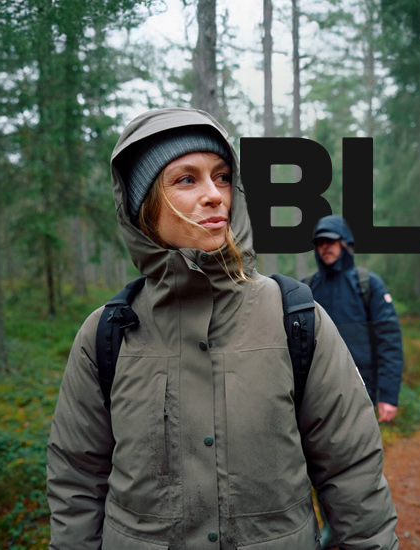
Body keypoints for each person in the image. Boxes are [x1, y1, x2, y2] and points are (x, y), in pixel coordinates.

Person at [46, 108, 398, 550]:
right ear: (144, 207)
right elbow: (77, 480)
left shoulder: (294, 317)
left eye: (223, 177)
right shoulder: (106, 334)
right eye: (186, 180)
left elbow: (352, 473)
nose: (214, 195)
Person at [302, 216, 405, 424]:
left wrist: (388, 396)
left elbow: (389, 342)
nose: (324, 247)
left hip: (361, 391)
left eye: (330, 241)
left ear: (345, 243)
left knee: (360, 443)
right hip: (316, 394)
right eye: (319, 242)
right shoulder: (307, 288)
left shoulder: (368, 284)